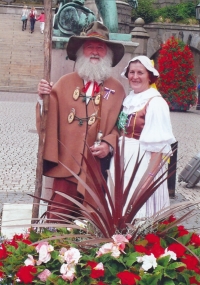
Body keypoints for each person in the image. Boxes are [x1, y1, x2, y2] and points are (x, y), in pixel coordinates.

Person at [37, 21, 125, 221]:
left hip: (97, 170)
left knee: (92, 223)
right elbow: (47, 120)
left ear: (108, 52)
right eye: (90, 47)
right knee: (56, 221)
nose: (95, 52)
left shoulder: (118, 90)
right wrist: (43, 99)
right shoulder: (64, 83)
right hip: (66, 167)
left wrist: (108, 145)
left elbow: (122, 128)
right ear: (81, 52)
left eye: (100, 47)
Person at [110, 55, 176, 219]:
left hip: (142, 162)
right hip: (121, 158)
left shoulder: (155, 102)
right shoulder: (129, 99)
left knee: (137, 207)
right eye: (132, 72)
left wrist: (148, 180)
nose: (135, 76)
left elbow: (158, 148)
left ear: (150, 76)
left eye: (140, 72)